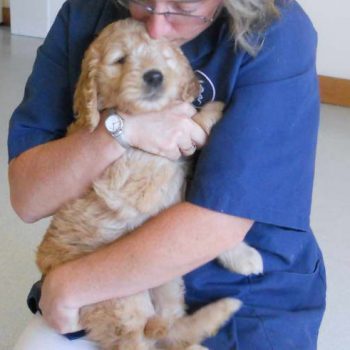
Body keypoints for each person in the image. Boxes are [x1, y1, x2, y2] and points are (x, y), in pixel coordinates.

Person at [8, 0, 326, 349]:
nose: (155, 26)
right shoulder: (87, 10)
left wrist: (72, 285)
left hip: (243, 289)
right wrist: (120, 130)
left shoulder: (277, 30)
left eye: (183, 7)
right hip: (109, 265)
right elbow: (28, 197)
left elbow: (222, 220)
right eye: (141, 1)